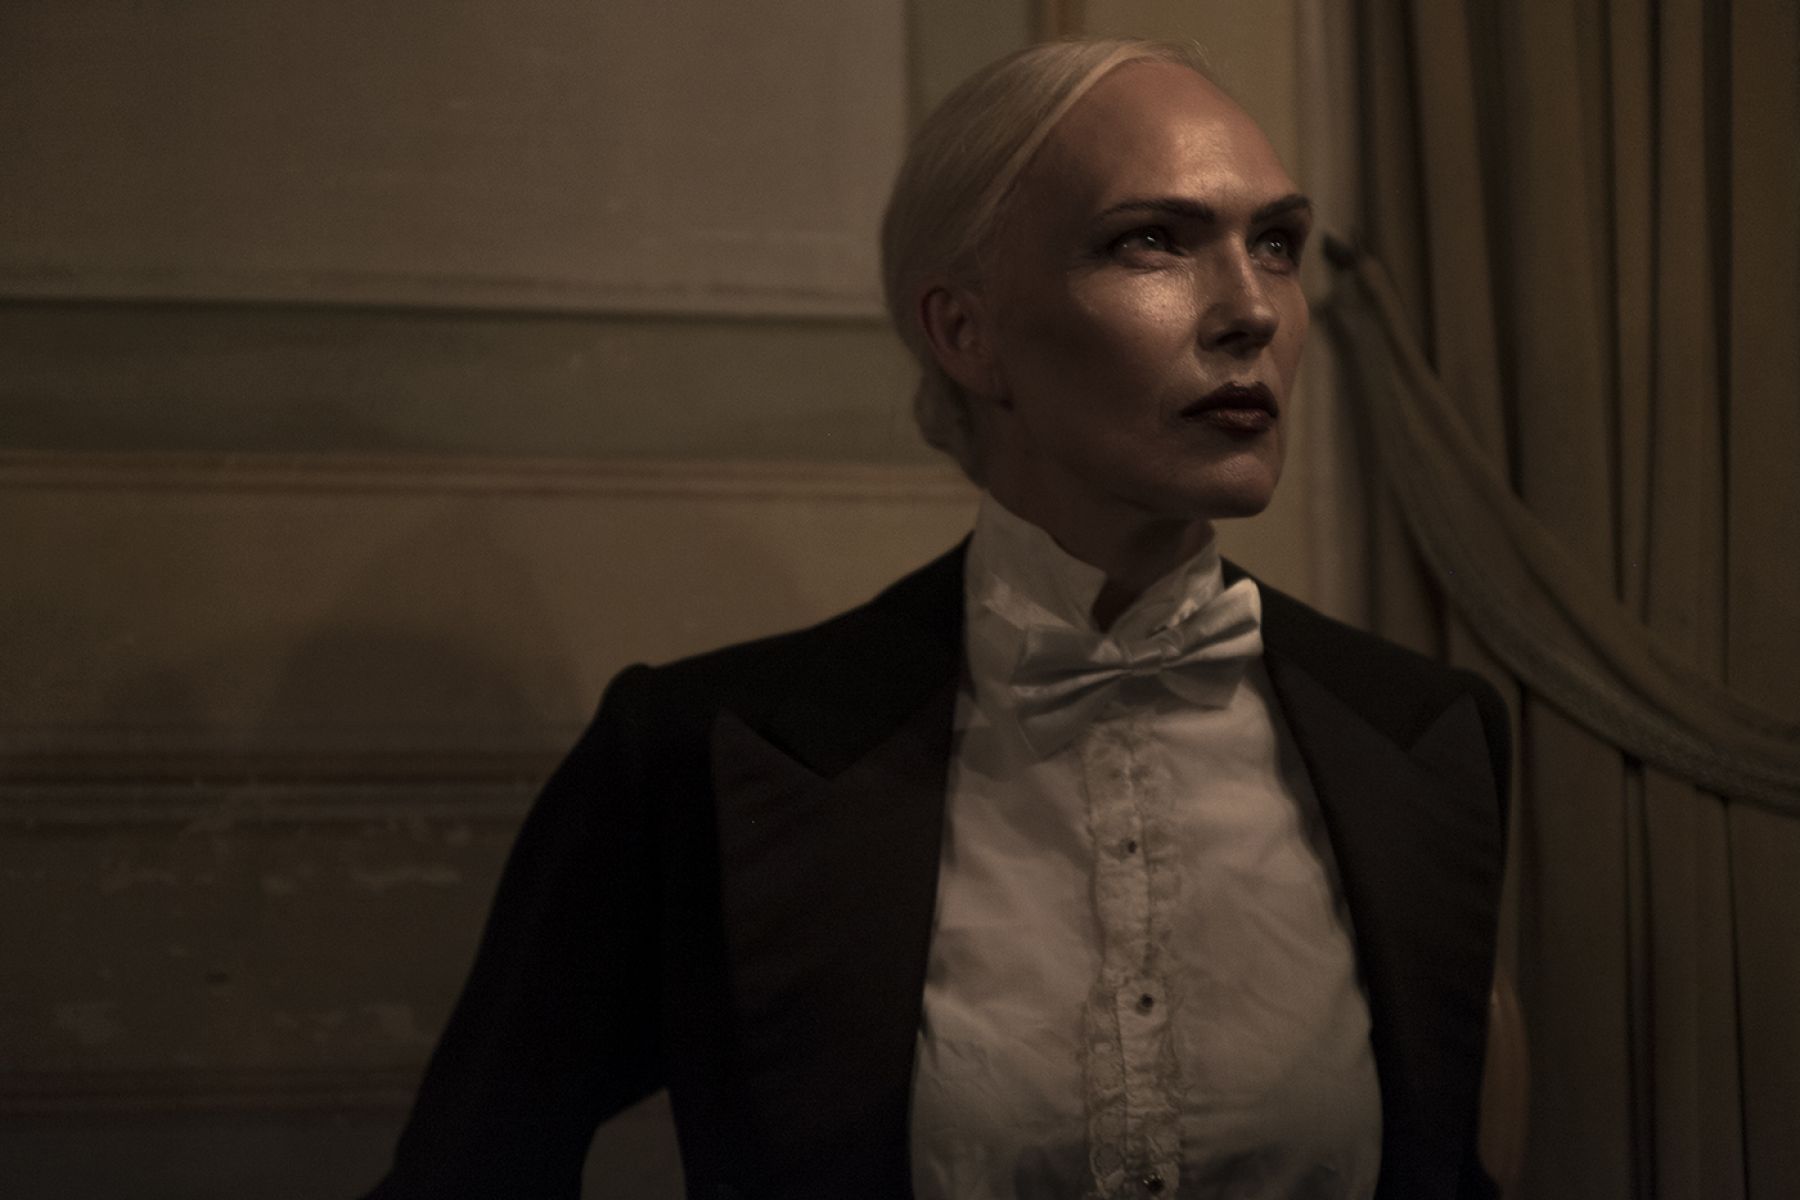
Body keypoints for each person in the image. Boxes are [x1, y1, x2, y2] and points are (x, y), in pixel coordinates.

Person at [362, 37, 1509, 1200]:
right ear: (966, 332)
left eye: (1276, 245)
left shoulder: (1424, 738)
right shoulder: (702, 754)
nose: (1252, 310)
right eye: (1151, 241)